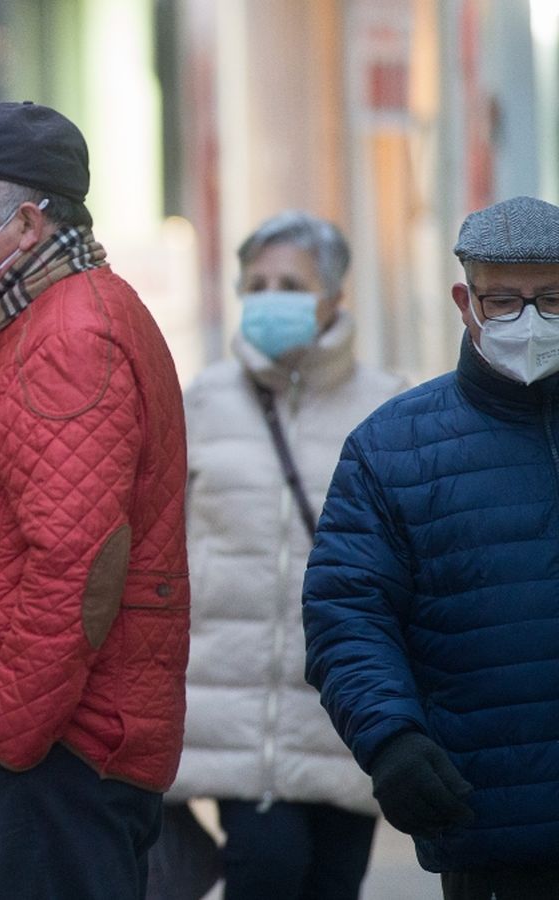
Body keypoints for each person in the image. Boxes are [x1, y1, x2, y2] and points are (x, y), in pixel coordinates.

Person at [0, 101, 189, 899]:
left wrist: (7, 733)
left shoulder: (70, 337)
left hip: (66, 746)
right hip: (68, 736)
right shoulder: (39, 319)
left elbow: (80, 561)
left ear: (24, 223)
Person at [303, 195, 559, 899]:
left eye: (553, 300)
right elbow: (346, 615)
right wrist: (391, 740)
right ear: (464, 301)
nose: (531, 321)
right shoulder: (392, 450)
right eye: (504, 300)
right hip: (490, 828)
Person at [170, 212, 406, 899]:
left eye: (290, 284)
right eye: (258, 284)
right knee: (266, 871)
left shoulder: (387, 407)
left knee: (332, 884)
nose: (270, 297)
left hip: (345, 709)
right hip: (236, 710)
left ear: (334, 295)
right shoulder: (205, 402)